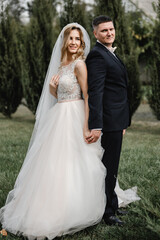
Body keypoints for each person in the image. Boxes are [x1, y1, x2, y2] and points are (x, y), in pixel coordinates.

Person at [0, 23, 106, 240]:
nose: (74, 42)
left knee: (73, 162)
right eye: (71, 39)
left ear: (82, 42)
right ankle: (44, 203)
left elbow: (87, 96)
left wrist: (87, 126)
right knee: (51, 162)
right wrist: (51, 88)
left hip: (75, 116)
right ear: (65, 42)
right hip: (59, 116)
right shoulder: (62, 65)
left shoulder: (79, 65)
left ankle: (71, 207)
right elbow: (60, 96)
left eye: (78, 39)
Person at [86, 15, 137, 225]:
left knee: (112, 167)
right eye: (104, 30)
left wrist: (123, 122)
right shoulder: (97, 55)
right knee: (107, 167)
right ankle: (107, 213)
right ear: (95, 33)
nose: (109, 33)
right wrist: (97, 125)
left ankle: (112, 204)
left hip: (117, 120)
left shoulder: (109, 53)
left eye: (111, 29)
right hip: (107, 122)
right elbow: (96, 92)